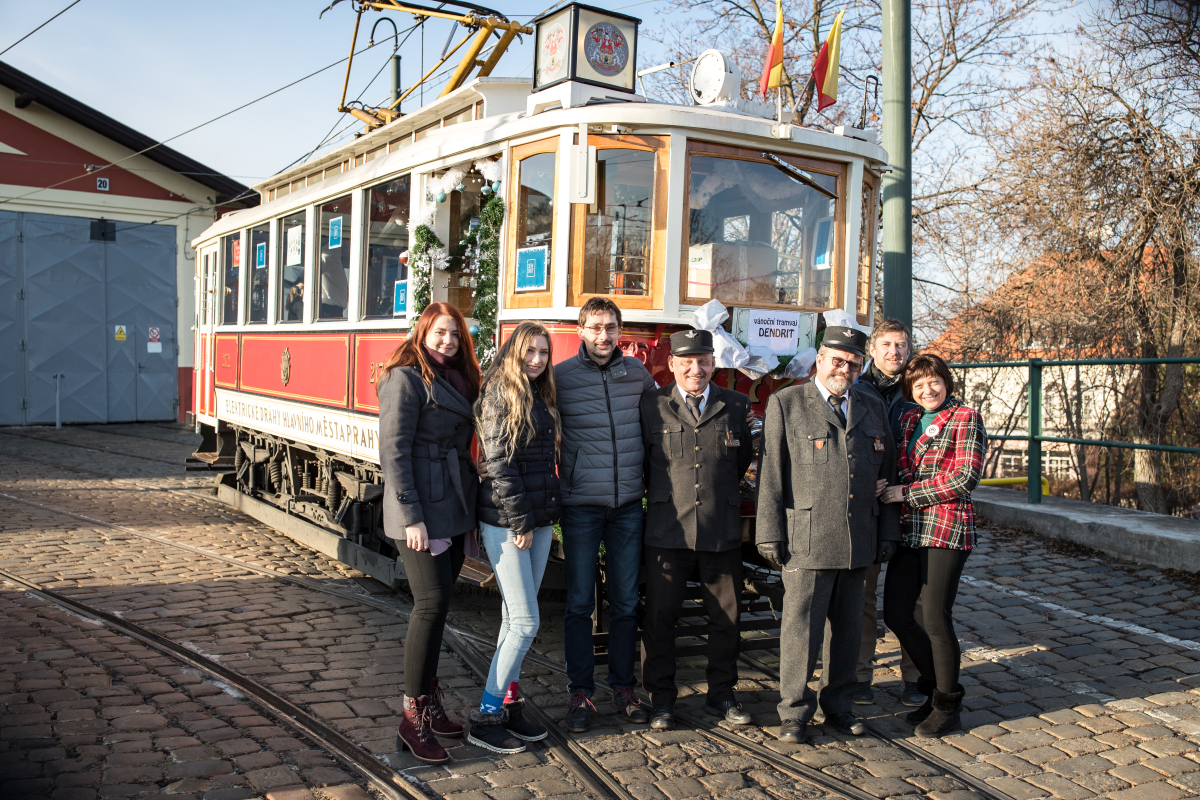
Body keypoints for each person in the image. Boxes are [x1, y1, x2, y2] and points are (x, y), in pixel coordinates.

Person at [755, 326, 901, 743]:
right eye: (837, 360)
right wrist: (769, 533)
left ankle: (839, 705)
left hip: (859, 537)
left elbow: (886, 470)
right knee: (801, 629)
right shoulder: (787, 403)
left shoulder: (871, 405)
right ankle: (793, 713)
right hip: (807, 537)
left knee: (848, 631)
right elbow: (771, 475)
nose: (845, 368)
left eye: (854, 363)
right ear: (819, 360)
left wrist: (886, 531)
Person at [377, 302, 481, 764]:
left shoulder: (459, 378)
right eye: (440, 333)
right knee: (429, 604)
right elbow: (394, 451)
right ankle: (413, 715)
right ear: (423, 332)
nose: (447, 341)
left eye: (455, 335)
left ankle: (431, 703)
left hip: (455, 503)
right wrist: (410, 516)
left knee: (442, 606)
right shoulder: (404, 377)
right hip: (420, 508)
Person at [640, 330, 755, 731]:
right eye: (686, 361)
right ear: (671, 364)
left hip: (719, 531)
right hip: (667, 530)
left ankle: (721, 693)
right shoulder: (651, 404)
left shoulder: (736, 405)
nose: (696, 368)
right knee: (660, 619)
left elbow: (742, 462)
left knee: (727, 619)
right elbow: (643, 464)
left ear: (714, 364)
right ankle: (661, 699)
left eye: (704, 360)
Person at [555, 297, 656, 732]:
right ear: (581, 330)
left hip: (629, 505)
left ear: (620, 331)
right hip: (580, 505)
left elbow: (658, 430)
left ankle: (623, 686)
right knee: (579, 602)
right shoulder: (560, 377)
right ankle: (580, 692)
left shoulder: (638, 374)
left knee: (626, 601)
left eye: (611, 328)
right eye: (595, 327)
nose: (603, 336)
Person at [881, 353, 986, 738]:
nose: (928, 389)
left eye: (935, 381)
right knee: (896, 613)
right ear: (911, 389)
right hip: (911, 529)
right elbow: (895, 466)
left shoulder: (965, 418)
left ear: (947, 382)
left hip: (947, 528)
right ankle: (935, 686)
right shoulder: (909, 420)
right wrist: (883, 486)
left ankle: (947, 704)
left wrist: (904, 493)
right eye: (919, 384)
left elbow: (964, 478)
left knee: (937, 618)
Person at [468, 322, 561, 754]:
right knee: (526, 623)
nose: (538, 359)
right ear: (513, 352)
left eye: (544, 352)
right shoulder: (498, 394)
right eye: (530, 352)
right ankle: (485, 716)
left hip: (538, 521)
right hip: (509, 523)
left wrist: (541, 519)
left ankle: (507, 702)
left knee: (513, 620)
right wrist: (522, 522)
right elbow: (500, 466)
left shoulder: (538, 393)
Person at [852, 319, 924, 708]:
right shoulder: (856, 388)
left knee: (913, 601)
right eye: (888, 345)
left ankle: (915, 676)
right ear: (873, 350)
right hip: (869, 507)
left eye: (902, 345)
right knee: (862, 597)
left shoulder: (921, 390)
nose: (895, 352)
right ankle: (860, 676)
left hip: (912, 508)